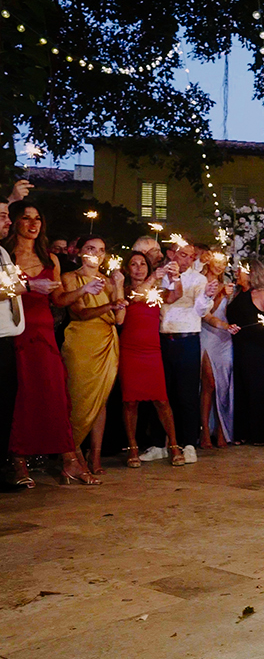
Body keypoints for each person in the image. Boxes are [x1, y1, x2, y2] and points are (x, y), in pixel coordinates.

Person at [3, 204, 98, 486]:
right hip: (17, 329)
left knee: (55, 393)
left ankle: (70, 460)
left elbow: (58, 299)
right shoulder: (5, 256)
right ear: (16, 222)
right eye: (26, 218)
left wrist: (83, 289)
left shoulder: (50, 259)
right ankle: (18, 461)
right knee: (23, 396)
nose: (33, 224)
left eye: (37, 219)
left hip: (45, 330)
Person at [58, 236, 124, 475]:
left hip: (106, 342)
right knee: (78, 397)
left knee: (101, 400)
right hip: (81, 343)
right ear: (80, 252)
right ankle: (72, 453)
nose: (96, 254)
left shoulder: (108, 281)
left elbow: (120, 319)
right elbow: (79, 313)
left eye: (101, 250)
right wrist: (109, 306)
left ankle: (94, 456)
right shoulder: (70, 278)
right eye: (90, 248)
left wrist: (119, 285)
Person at [117, 251, 184, 468]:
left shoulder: (156, 291)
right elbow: (135, 297)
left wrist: (176, 278)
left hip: (152, 349)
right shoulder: (124, 290)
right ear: (128, 269)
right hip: (130, 349)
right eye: (134, 264)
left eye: (142, 264)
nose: (138, 268)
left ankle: (174, 445)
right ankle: (133, 447)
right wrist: (153, 277)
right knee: (130, 401)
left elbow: (175, 296)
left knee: (161, 400)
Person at [157, 239, 205, 463]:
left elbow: (202, 309)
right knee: (162, 394)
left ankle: (188, 443)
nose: (188, 259)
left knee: (187, 394)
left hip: (188, 339)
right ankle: (161, 443)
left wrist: (208, 298)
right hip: (161, 338)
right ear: (170, 254)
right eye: (183, 254)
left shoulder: (198, 279)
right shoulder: (158, 275)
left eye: (191, 256)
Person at [227, 258, 264, 445]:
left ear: (251, 273)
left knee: (257, 388)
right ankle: (242, 432)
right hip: (239, 344)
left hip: (257, 346)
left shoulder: (261, 294)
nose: (236, 273)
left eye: (240, 270)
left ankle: (260, 433)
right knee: (241, 387)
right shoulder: (237, 293)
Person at [196, 250, 236, 448]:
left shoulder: (227, 285)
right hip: (207, 333)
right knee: (209, 383)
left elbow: (229, 312)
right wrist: (220, 294)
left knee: (224, 383)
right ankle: (204, 431)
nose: (220, 266)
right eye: (217, 261)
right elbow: (206, 312)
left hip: (224, 336)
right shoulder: (200, 282)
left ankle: (222, 430)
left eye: (223, 263)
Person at [0, 197, 27, 492]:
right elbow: (9, 287)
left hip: (7, 337)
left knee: (6, 406)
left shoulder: (2, 252)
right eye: (4, 216)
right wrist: (19, 287)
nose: (10, 221)